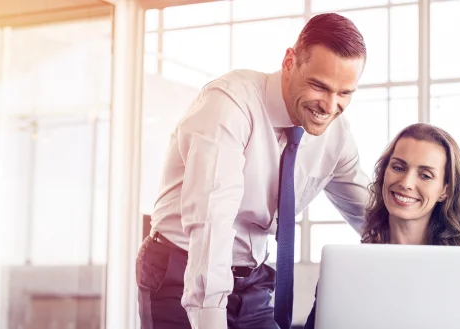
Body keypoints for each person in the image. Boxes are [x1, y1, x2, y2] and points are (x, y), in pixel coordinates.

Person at [136, 13, 370, 329]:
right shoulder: (231, 104)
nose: (329, 106)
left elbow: (374, 218)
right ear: (290, 62)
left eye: (344, 93)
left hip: (253, 281)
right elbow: (211, 225)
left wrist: (450, 257)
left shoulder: (336, 137)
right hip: (181, 267)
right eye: (319, 86)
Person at [303, 123, 460, 329]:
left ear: (445, 190)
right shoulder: (347, 269)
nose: (406, 183)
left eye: (425, 175)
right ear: (383, 174)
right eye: (398, 167)